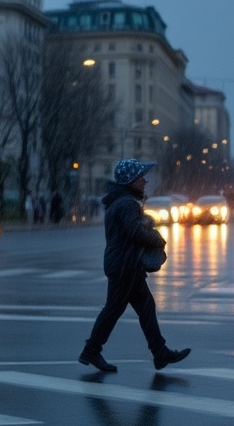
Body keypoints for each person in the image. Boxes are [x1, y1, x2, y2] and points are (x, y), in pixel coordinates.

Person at [79, 158, 191, 373]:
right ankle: (92, 350)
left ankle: (159, 352)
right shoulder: (126, 203)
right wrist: (156, 238)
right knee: (114, 309)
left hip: (125, 265)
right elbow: (134, 232)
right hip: (125, 266)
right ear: (131, 181)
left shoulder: (120, 202)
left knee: (145, 307)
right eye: (140, 177)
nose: (144, 180)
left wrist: (144, 223)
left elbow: (128, 229)